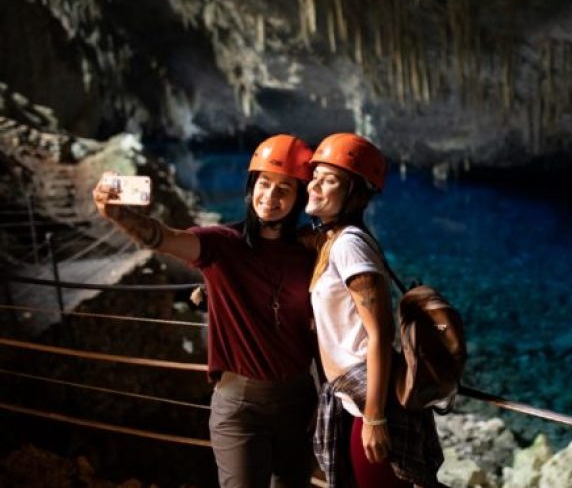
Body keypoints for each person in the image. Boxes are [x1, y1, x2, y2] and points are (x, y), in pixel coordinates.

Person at [92, 134, 319, 488]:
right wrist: (117, 213)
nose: (270, 197)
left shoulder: (309, 253)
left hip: (299, 401)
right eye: (264, 183)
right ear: (251, 186)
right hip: (242, 408)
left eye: (284, 189)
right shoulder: (221, 245)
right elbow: (161, 237)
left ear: (299, 198)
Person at [305, 133, 443, 487]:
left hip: (368, 397)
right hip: (352, 395)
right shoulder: (332, 239)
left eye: (329, 180)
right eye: (314, 176)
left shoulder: (349, 246)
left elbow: (380, 334)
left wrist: (375, 418)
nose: (314, 186)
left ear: (356, 194)